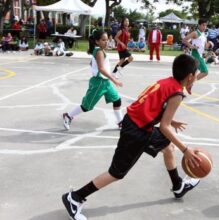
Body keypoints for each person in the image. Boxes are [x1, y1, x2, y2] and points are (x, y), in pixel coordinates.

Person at [61, 54, 202, 220]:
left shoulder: (167, 82)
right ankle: (75, 198)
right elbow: (164, 127)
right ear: (191, 76)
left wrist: (172, 120)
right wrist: (185, 150)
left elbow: (153, 105)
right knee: (116, 173)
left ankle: (178, 185)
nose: (197, 77)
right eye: (196, 74)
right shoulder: (177, 93)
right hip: (137, 131)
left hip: (139, 124)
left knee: (168, 146)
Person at [62, 30, 123, 131]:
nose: (106, 42)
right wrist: (114, 79)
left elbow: (92, 64)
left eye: (107, 40)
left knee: (117, 100)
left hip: (105, 82)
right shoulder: (99, 52)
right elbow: (101, 69)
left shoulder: (99, 51)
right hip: (99, 83)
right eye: (103, 40)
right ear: (97, 41)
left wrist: (104, 74)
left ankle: (120, 122)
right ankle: (68, 116)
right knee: (87, 106)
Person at [182, 18, 211, 94]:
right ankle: (189, 84)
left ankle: (186, 84)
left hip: (200, 55)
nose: (204, 27)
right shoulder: (195, 33)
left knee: (193, 73)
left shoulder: (204, 34)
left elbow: (205, 46)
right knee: (205, 72)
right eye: (203, 25)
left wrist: (210, 43)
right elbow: (184, 40)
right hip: (196, 55)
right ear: (199, 25)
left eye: (206, 25)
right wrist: (191, 46)